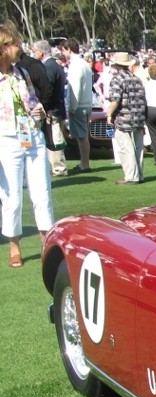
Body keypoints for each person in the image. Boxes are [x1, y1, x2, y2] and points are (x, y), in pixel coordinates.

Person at [0, 21, 54, 267]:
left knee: (41, 191)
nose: (19, 48)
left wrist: (39, 109)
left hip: (32, 136)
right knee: (11, 196)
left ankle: (46, 240)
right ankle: (14, 244)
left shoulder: (22, 73)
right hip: (7, 139)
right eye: (14, 44)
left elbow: (32, 99)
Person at [106, 52, 147, 184]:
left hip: (124, 117)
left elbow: (115, 100)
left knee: (126, 147)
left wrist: (109, 114)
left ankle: (131, 176)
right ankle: (139, 174)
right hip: (139, 116)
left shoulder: (117, 79)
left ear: (116, 65)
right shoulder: (136, 78)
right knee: (138, 148)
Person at [30, 40, 67, 176]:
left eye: (34, 51)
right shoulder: (54, 65)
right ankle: (56, 166)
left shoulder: (49, 67)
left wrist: (47, 108)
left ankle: (59, 168)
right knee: (53, 138)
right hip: (57, 107)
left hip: (53, 109)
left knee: (54, 139)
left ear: (41, 52)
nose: (33, 54)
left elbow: (48, 90)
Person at [65, 38, 92, 173]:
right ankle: (84, 162)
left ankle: (84, 164)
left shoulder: (76, 65)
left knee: (81, 137)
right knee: (83, 136)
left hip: (79, 105)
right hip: (86, 103)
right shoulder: (85, 63)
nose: (64, 54)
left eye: (64, 51)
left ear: (69, 49)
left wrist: (72, 107)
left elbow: (75, 89)